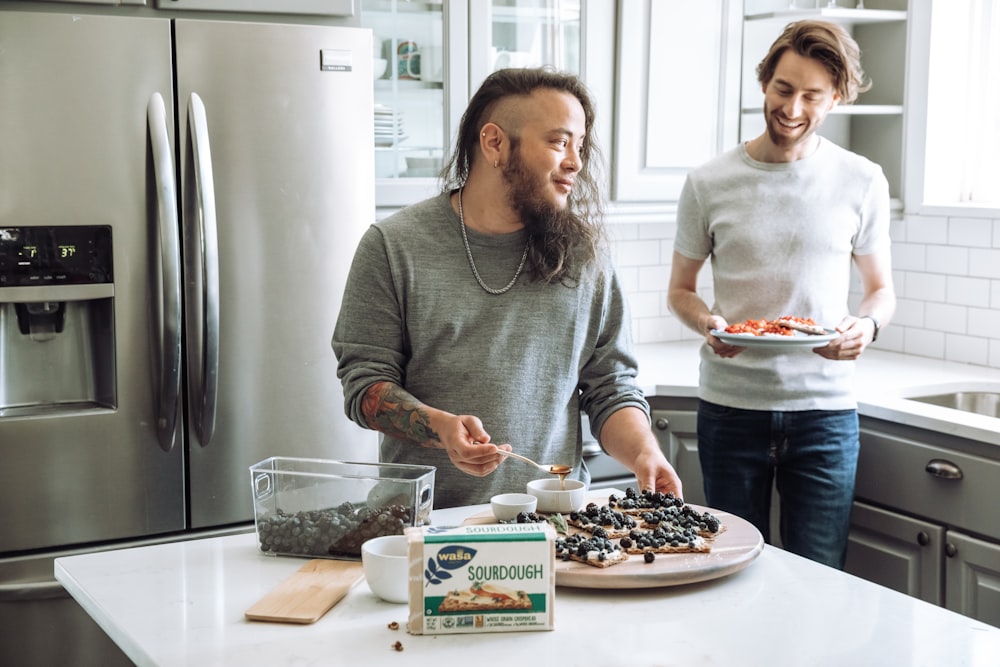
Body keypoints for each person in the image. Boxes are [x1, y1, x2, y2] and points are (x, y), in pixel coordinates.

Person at [333, 67, 682, 509]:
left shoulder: (585, 256)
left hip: (552, 525)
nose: (575, 161)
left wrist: (644, 453)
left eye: (580, 145)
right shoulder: (393, 246)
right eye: (559, 142)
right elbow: (365, 387)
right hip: (426, 523)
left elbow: (610, 388)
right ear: (495, 143)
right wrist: (438, 426)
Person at [667, 20, 896, 569]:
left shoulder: (862, 180)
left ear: (835, 98)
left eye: (812, 96)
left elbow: (881, 290)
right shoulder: (709, 181)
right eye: (783, 89)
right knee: (727, 570)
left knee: (820, 575)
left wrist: (865, 328)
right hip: (731, 408)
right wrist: (708, 322)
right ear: (764, 82)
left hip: (824, 414)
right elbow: (679, 290)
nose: (793, 108)